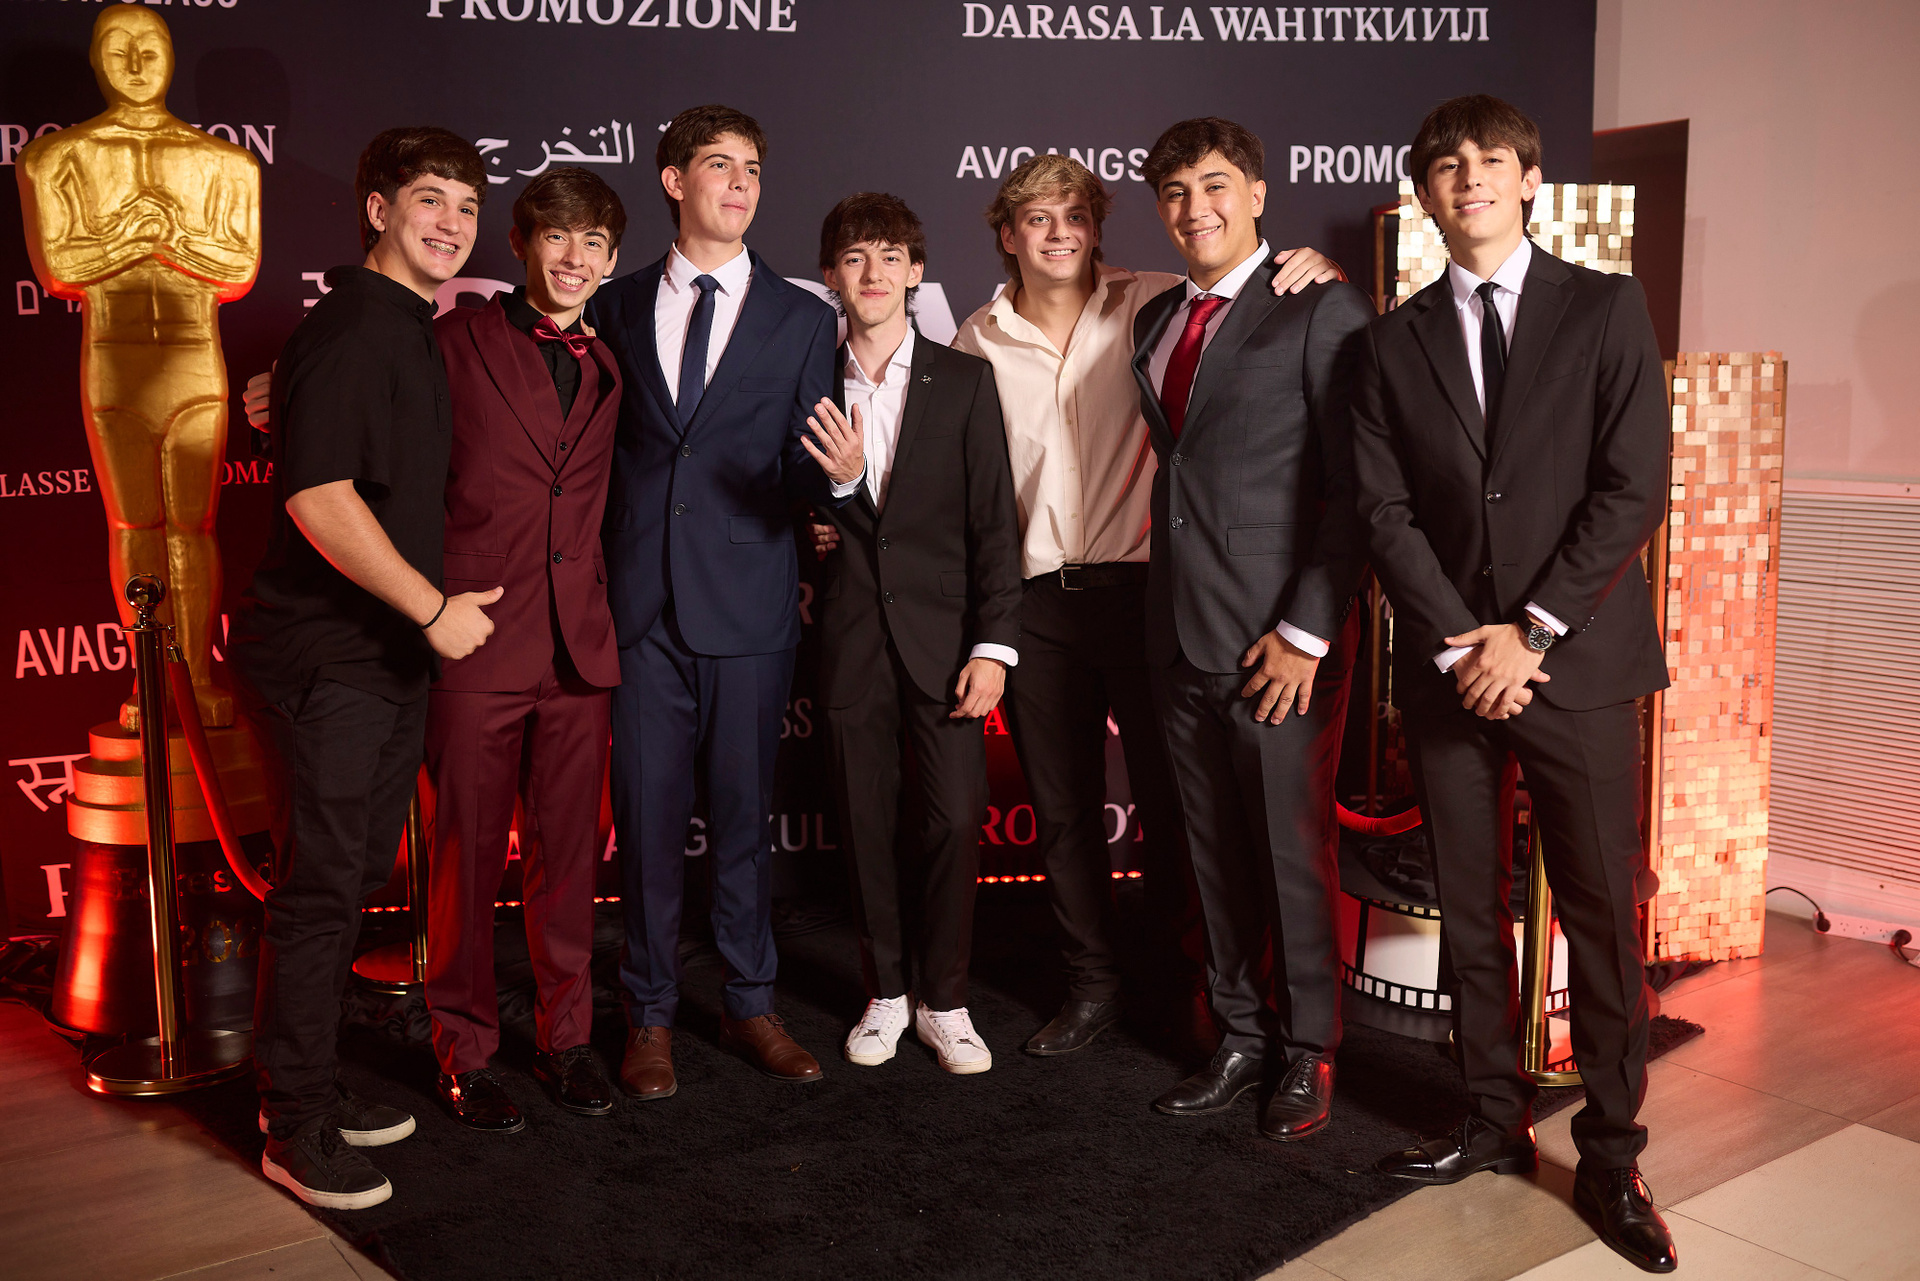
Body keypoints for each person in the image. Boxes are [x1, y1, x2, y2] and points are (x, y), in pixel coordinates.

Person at [874, 154, 1340, 1059]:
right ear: (1007, 235)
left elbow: (1255, 296)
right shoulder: (974, 340)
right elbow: (952, 487)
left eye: (1075, 216)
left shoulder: (1158, 301)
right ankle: (1091, 983)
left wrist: (1312, 264)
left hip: (1152, 594)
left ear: (1096, 227)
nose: (1059, 234)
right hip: (1037, 604)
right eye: (1037, 218)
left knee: (1177, 805)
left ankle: (1180, 982)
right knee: (1063, 812)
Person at [1352, 95, 1675, 1273]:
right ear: (1426, 194)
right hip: (1452, 672)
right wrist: (1460, 641)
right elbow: (1383, 510)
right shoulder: (1386, 344)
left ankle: (1612, 1153)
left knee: (1599, 916)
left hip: (1572, 663)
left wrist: (1528, 632)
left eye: (1491, 160)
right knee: (1470, 910)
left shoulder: (1605, 306)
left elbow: (1633, 485)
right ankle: (1491, 1121)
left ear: (1530, 180)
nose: (1470, 177)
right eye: (1447, 165)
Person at [231, 128, 496, 1210]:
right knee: (319, 890)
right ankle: (290, 1124)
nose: (452, 223)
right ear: (378, 209)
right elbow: (318, 498)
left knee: (343, 884)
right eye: (431, 199)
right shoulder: (350, 327)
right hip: (326, 659)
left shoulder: (402, 326)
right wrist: (432, 610)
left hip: (377, 660)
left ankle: (308, 1082)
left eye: (467, 207)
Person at [590, 105, 864, 1100]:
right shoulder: (612, 306)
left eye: (752, 167)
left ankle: (750, 1003)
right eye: (719, 164)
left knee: (745, 820)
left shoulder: (803, 318)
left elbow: (804, 463)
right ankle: (650, 1014)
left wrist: (838, 483)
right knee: (647, 824)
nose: (742, 183)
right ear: (674, 181)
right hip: (638, 611)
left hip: (749, 606)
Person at [1130, 118, 1373, 1142]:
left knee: (1289, 851)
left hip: (1282, 643)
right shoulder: (1156, 319)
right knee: (1211, 853)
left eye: (1216, 184)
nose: (1197, 208)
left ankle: (1309, 1048)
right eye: (1176, 192)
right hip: (1181, 632)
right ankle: (1238, 1033)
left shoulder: (1322, 306)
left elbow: (1356, 489)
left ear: (1260, 193)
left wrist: (1308, 631)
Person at [419, 168, 627, 1132]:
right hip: (476, 638)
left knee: (569, 859)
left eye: (594, 243)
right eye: (557, 236)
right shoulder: (452, 339)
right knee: (464, 861)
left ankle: (565, 1038)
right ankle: (462, 1051)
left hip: (580, 649)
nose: (575, 257)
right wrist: (278, 393)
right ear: (521, 243)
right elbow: (370, 417)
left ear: (612, 260)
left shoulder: (610, 362)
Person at [809, 193, 1022, 1075]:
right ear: (830, 275)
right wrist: (827, 503)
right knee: (864, 825)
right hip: (850, 636)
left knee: (951, 821)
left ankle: (946, 1000)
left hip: (947, 643)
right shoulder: (804, 383)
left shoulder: (964, 380)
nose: (873, 273)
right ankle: (887, 992)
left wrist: (994, 645)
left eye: (890, 256)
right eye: (855, 257)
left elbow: (995, 525)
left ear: (916, 272)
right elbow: (777, 508)